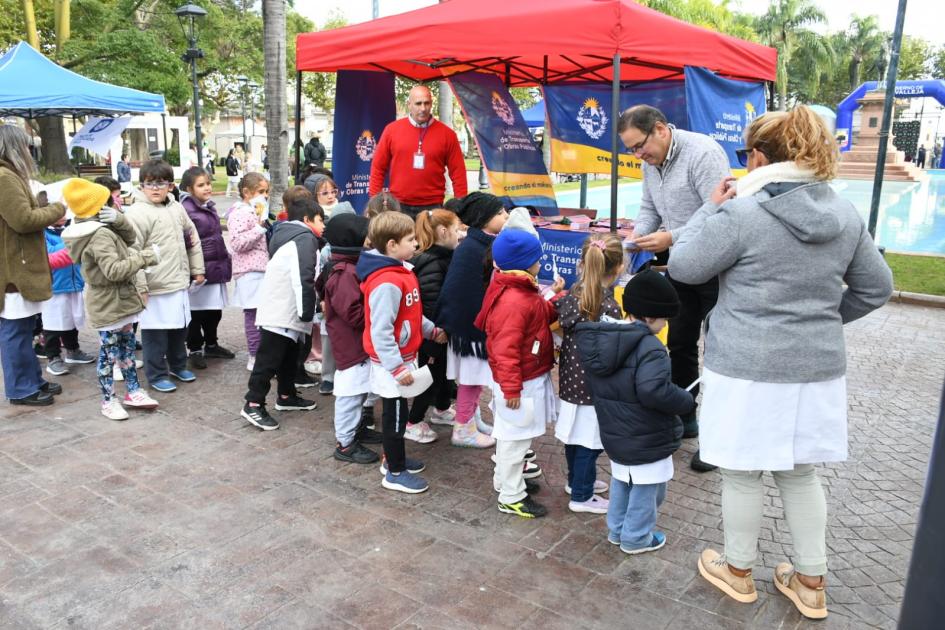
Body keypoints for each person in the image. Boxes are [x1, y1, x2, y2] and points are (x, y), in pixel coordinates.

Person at [668, 105, 894, 619]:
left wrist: (709, 207)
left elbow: (683, 265)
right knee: (798, 472)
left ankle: (739, 569)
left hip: (746, 364)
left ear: (761, 156)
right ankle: (811, 581)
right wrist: (821, 320)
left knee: (743, 471)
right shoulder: (844, 213)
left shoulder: (743, 214)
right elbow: (876, 287)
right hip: (815, 366)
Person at [617, 104, 730, 473]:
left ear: (661, 129)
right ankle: (687, 417)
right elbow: (649, 208)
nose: (638, 156)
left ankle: (717, 438)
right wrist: (635, 238)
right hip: (681, 265)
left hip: (717, 266)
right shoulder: (652, 164)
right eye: (631, 150)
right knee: (680, 341)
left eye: (639, 146)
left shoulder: (703, 154)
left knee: (719, 350)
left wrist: (672, 236)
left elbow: (723, 212)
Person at [474, 229, 563, 518]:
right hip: (520, 383)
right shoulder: (514, 299)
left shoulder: (519, 288)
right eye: (537, 259)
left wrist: (556, 300)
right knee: (515, 440)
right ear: (524, 263)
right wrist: (511, 389)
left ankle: (506, 482)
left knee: (512, 438)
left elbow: (537, 314)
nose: (541, 263)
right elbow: (505, 350)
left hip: (522, 379)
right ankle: (511, 496)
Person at [356, 212, 447, 494]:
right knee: (395, 418)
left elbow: (412, 312)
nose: (416, 243)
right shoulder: (387, 282)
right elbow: (381, 331)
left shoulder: (402, 272)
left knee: (399, 412)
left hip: (402, 357)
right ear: (392, 245)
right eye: (410, 240)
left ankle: (392, 459)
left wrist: (430, 330)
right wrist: (397, 368)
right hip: (391, 363)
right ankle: (394, 471)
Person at [60, 179, 161, 420]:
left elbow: (128, 239)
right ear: (97, 206)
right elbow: (114, 270)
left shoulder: (99, 227)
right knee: (109, 354)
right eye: (109, 200)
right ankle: (108, 401)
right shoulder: (99, 235)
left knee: (125, 349)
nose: (114, 202)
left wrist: (119, 220)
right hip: (109, 304)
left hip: (119, 301)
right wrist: (147, 257)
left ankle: (133, 392)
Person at [554, 234, 625, 515]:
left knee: (575, 436)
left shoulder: (574, 295)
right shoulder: (608, 306)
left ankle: (576, 482)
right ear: (618, 268)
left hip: (572, 381)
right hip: (595, 386)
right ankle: (582, 495)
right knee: (590, 442)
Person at [240, 197, 322, 430]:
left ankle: (286, 395)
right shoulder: (304, 239)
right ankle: (253, 403)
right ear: (307, 220)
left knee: (288, 354)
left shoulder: (292, 236)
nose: (323, 225)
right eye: (320, 220)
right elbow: (303, 276)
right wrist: (309, 311)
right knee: (269, 358)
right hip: (282, 310)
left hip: (285, 308)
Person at [124, 159, 205, 393]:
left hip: (177, 282)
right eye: (150, 184)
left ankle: (178, 365)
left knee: (179, 327)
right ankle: (156, 373)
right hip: (154, 286)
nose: (156, 188)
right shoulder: (137, 213)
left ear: (170, 185)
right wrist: (141, 286)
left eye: (161, 183)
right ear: (142, 186)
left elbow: (192, 238)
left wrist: (197, 269)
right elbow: (132, 252)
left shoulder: (176, 207)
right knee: (155, 334)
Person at [0, 126, 67, 406]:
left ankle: (31, 381)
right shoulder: (4, 177)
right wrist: (57, 210)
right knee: (15, 332)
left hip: (18, 266)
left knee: (23, 330)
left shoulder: (8, 175)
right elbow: (23, 220)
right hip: (14, 270)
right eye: (27, 147)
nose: (30, 152)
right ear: (14, 148)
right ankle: (21, 388)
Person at [436, 193, 508, 447]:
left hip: (474, 326)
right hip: (470, 329)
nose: (506, 216)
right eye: (500, 213)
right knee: (471, 379)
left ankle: (470, 421)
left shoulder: (482, 244)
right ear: (484, 218)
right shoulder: (472, 250)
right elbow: (459, 291)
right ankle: (463, 428)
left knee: (474, 379)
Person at [323, 213, 383, 463]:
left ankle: (356, 429)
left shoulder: (351, 267)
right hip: (351, 346)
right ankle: (345, 443)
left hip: (358, 344)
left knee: (360, 391)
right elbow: (353, 314)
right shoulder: (344, 273)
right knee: (350, 394)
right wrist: (378, 312)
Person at [406, 209, 463, 442]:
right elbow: (431, 303)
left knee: (444, 374)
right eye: (457, 229)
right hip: (434, 335)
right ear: (443, 231)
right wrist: (438, 330)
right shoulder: (433, 262)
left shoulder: (443, 258)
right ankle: (413, 421)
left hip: (443, 331)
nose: (460, 235)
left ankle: (441, 408)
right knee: (429, 377)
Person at [369, 85, 468, 218]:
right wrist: (375, 205)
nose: (423, 108)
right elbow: (378, 168)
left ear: (431, 104)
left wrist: (461, 208)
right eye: (418, 103)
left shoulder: (447, 134)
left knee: (432, 240)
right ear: (409, 104)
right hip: (398, 205)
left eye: (427, 103)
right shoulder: (391, 130)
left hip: (433, 206)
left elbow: (458, 173)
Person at [180, 167, 235, 370]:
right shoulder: (185, 209)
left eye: (208, 184)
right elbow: (187, 239)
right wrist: (194, 268)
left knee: (214, 311)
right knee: (196, 312)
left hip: (214, 265)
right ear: (189, 188)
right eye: (201, 185)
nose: (207, 188)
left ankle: (212, 344)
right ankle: (195, 348)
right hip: (199, 267)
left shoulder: (207, 206)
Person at [41, 212, 95, 377]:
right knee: (53, 323)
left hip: (74, 284)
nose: (62, 216)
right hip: (54, 287)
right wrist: (73, 241)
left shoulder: (71, 229)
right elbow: (48, 256)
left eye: (64, 212)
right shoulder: (42, 234)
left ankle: (73, 350)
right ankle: (53, 357)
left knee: (72, 320)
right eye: (57, 213)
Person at [227, 173, 270, 371]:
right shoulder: (240, 213)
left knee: (263, 314)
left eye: (266, 192)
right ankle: (254, 355)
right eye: (261, 192)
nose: (265, 195)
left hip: (261, 268)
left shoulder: (256, 211)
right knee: (253, 315)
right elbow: (236, 242)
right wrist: (259, 229)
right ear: (247, 192)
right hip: (248, 270)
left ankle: (262, 353)